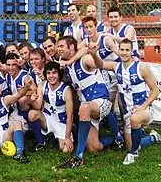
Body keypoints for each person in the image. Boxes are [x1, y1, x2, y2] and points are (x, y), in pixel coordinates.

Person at [89, 38, 161, 165]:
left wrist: (143, 106)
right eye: (122, 50)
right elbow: (100, 65)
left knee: (135, 121)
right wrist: (93, 53)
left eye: (127, 50)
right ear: (118, 50)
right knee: (130, 144)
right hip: (128, 114)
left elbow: (155, 91)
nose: (124, 53)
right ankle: (153, 137)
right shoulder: (116, 67)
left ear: (132, 51)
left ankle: (133, 154)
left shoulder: (141, 68)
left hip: (144, 110)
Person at [57, 36, 115, 169]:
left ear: (71, 47)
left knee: (83, 108)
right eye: (58, 46)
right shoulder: (67, 65)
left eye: (61, 46)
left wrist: (94, 54)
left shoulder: (84, 60)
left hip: (101, 101)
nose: (58, 49)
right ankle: (118, 139)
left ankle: (78, 158)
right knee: (94, 147)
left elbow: (98, 64)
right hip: (87, 107)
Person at [79, 16, 124, 147]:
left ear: (96, 26)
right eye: (86, 27)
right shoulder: (85, 41)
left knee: (118, 103)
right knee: (107, 103)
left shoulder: (106, 39)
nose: (88, 30)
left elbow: (120, 54)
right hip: (102, 73)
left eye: (91, 26)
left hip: (114, 71)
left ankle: (119, 132)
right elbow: (76, 50)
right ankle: (116, 134)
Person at [28, 62, 74, 153]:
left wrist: (67, 137)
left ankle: (55, 137)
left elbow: (70, 116)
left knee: (66, 150)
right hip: (47, 118)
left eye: (54, 73)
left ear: (59, 74)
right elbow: (37, 107)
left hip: (61, 123)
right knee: (32, 114)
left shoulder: (66, 90)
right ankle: (41, 142)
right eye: (48, 73)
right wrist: (33, 101)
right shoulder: (42, 85)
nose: (51, 76)